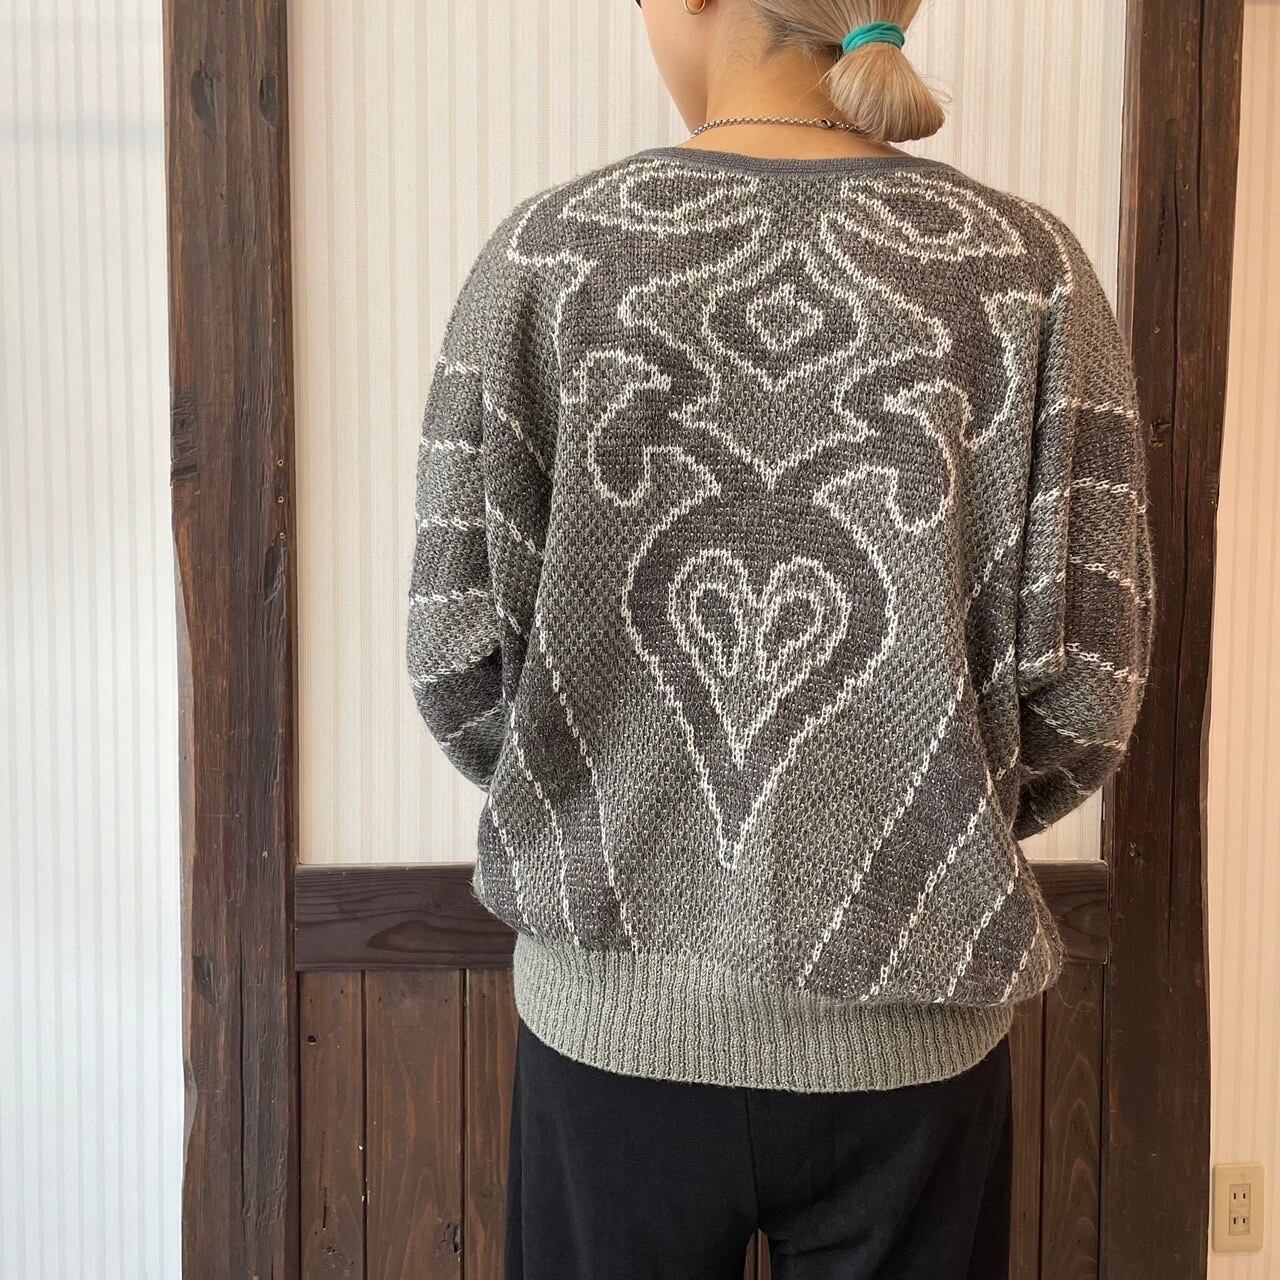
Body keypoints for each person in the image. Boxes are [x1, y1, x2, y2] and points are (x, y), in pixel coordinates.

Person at [406, 1, 1154, 1276]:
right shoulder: (1028, 271)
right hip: (912, 1040)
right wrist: (934, 818)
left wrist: (603, 807)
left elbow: (457, 651)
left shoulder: (547, 255)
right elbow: (1087, 681)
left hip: (609, 1032)